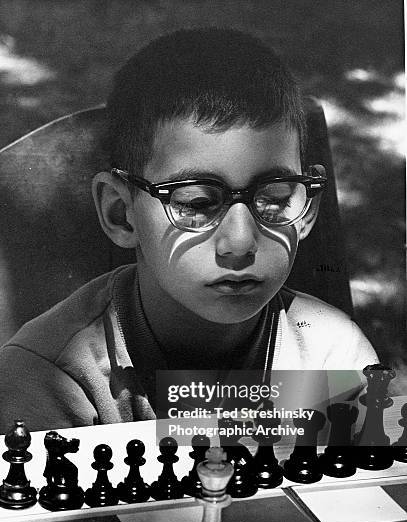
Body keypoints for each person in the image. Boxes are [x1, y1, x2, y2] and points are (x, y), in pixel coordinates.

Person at [0, 29, 377, 433]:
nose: (240, 243)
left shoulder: (333, 357)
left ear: (307, 209)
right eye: (197, 203)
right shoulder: (53, 380)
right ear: (121, 213)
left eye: (273, 197)